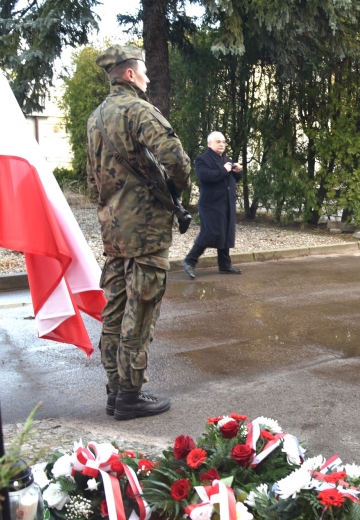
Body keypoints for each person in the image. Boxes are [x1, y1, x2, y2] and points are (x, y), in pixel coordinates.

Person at [87, 45, 192, 420]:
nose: (148, 78)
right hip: (145, 230)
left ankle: (115, 391)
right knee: (141, 307)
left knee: (114, 309)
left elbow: (92, 180)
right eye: (144, 72)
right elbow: (176, 159)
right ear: (129, 74)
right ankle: (131, 395)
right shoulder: (138, 109)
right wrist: (179, 191)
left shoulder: (96, 118)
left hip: (113, 230)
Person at [182, 131, 243, 278]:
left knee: (226, 231)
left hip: (226, 202)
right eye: (218, 141)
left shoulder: (227, 159)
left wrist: (238, 172)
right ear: (210, 143)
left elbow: (233, 180)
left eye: (223, 141)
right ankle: (189, 261)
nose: (222, 144)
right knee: (210, 233)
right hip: (211, 204)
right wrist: (224, 170)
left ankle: (225, 265)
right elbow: (204, 176)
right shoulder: (202, 159)